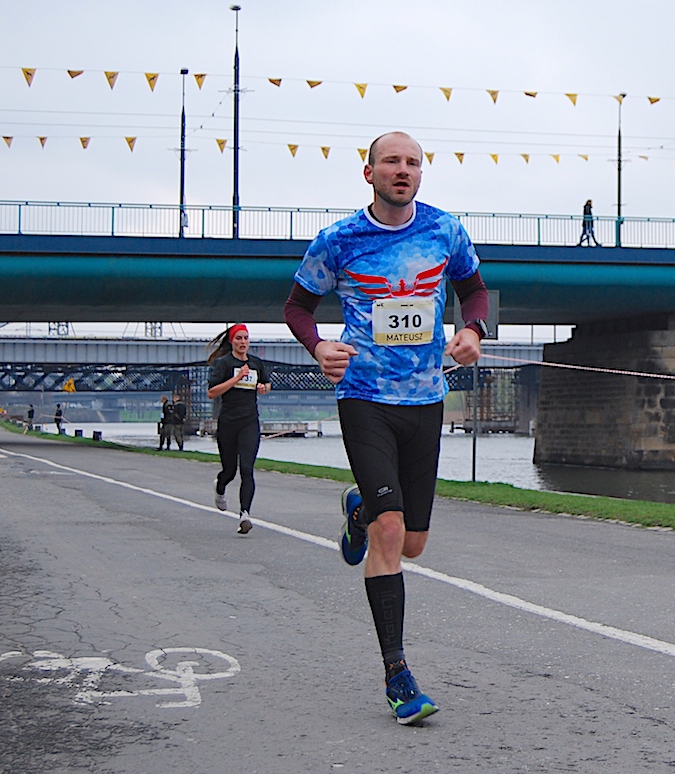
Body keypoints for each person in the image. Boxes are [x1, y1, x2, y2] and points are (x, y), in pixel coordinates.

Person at [284, 131, 489, 725]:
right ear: (369, 172)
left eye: (413, 163)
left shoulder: (445, 231)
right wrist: (318, 345)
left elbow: (474, 290)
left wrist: (472, 330)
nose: (403, 170)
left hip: (426, 399)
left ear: (421, 174)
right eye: (392, 161)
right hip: (364, 397)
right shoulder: (339, 240)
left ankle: (358, 511)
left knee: (413, 543)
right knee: (391, 531)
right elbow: (297, 306)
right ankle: (398, 676)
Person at [207, 324, 271, 534]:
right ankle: (220, 486)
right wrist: (236, 378)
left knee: (246, 468)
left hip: (249, 422)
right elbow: (212, 392)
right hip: (228, 422)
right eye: (239, 338)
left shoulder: (256, 363)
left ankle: (245, 514)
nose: (243, 342)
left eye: (246, 338)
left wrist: (263, 388)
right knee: (230, 471)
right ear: (232, 341)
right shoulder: (224, 364)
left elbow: (266, 383)